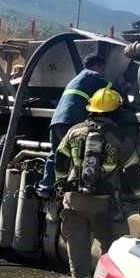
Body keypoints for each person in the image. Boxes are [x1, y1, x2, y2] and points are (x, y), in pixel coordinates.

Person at [54, 86, 140, 278]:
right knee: (110, 244)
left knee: (76, 244)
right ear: (115, 112)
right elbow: (133, 169)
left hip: (73, 201)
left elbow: (60, 158)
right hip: (103, 203)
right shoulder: (119, 138)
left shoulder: (74, 131)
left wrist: (60, 184)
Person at [36, 54, 110, 197]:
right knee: (78, 154)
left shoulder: (78, 78)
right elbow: (111, 88)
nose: (104, 72)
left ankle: (45, 187)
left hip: (57, 121)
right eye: (103, 69)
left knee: (55, 153)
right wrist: (125, 87)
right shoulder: (93, 75)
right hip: (72, 121)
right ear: (98, 66)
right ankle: (74, 190)